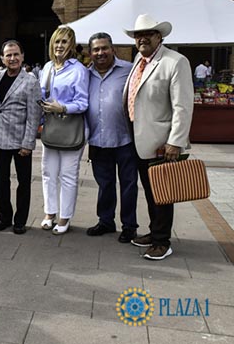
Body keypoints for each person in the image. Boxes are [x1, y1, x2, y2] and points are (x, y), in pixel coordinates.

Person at [124, 14, 194, 260]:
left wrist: (175, 141)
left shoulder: (175, 62)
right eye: (137, 35)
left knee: (163, 193)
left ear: (159, 36)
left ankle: (163, 242)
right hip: (140, 139)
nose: (141, 38)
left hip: (163, 143)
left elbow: (183, 106)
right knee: (150, 191)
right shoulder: (139, 60)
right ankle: (155, 233)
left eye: (147, 34)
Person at [85, 32, 138, 243]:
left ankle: (129, 226)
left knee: (128, 184)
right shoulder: (85, 74)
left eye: (104, 48)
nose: (100, 53)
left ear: (112, 49)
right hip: (97, 140)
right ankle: (106, 221)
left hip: (124, 138)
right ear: (90, 53)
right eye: (96, 49)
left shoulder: (128, 69)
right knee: (105, 184)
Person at [39, 25, 89, 235]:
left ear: (71, 45)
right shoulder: (48, 67)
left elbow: (84, 102)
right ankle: (50, 213)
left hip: (71, 127)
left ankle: (64, 217)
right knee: (48, 172)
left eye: (64, 41)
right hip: (52, 126)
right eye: (57, 41)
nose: (59, 46)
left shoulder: (78, 69)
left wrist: (63, 107)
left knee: (68, 175)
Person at [0, 39, 42, 234]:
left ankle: (20, 220)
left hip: (21, 141)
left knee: (23, 182)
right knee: (2, 181)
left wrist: (28, 143)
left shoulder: (30, 81)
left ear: (22, 57)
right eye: (8, 55)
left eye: (16, 54)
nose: (12, 58)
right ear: (2, 58)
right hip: (0, 140)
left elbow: (34, 114)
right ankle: (4, 217)